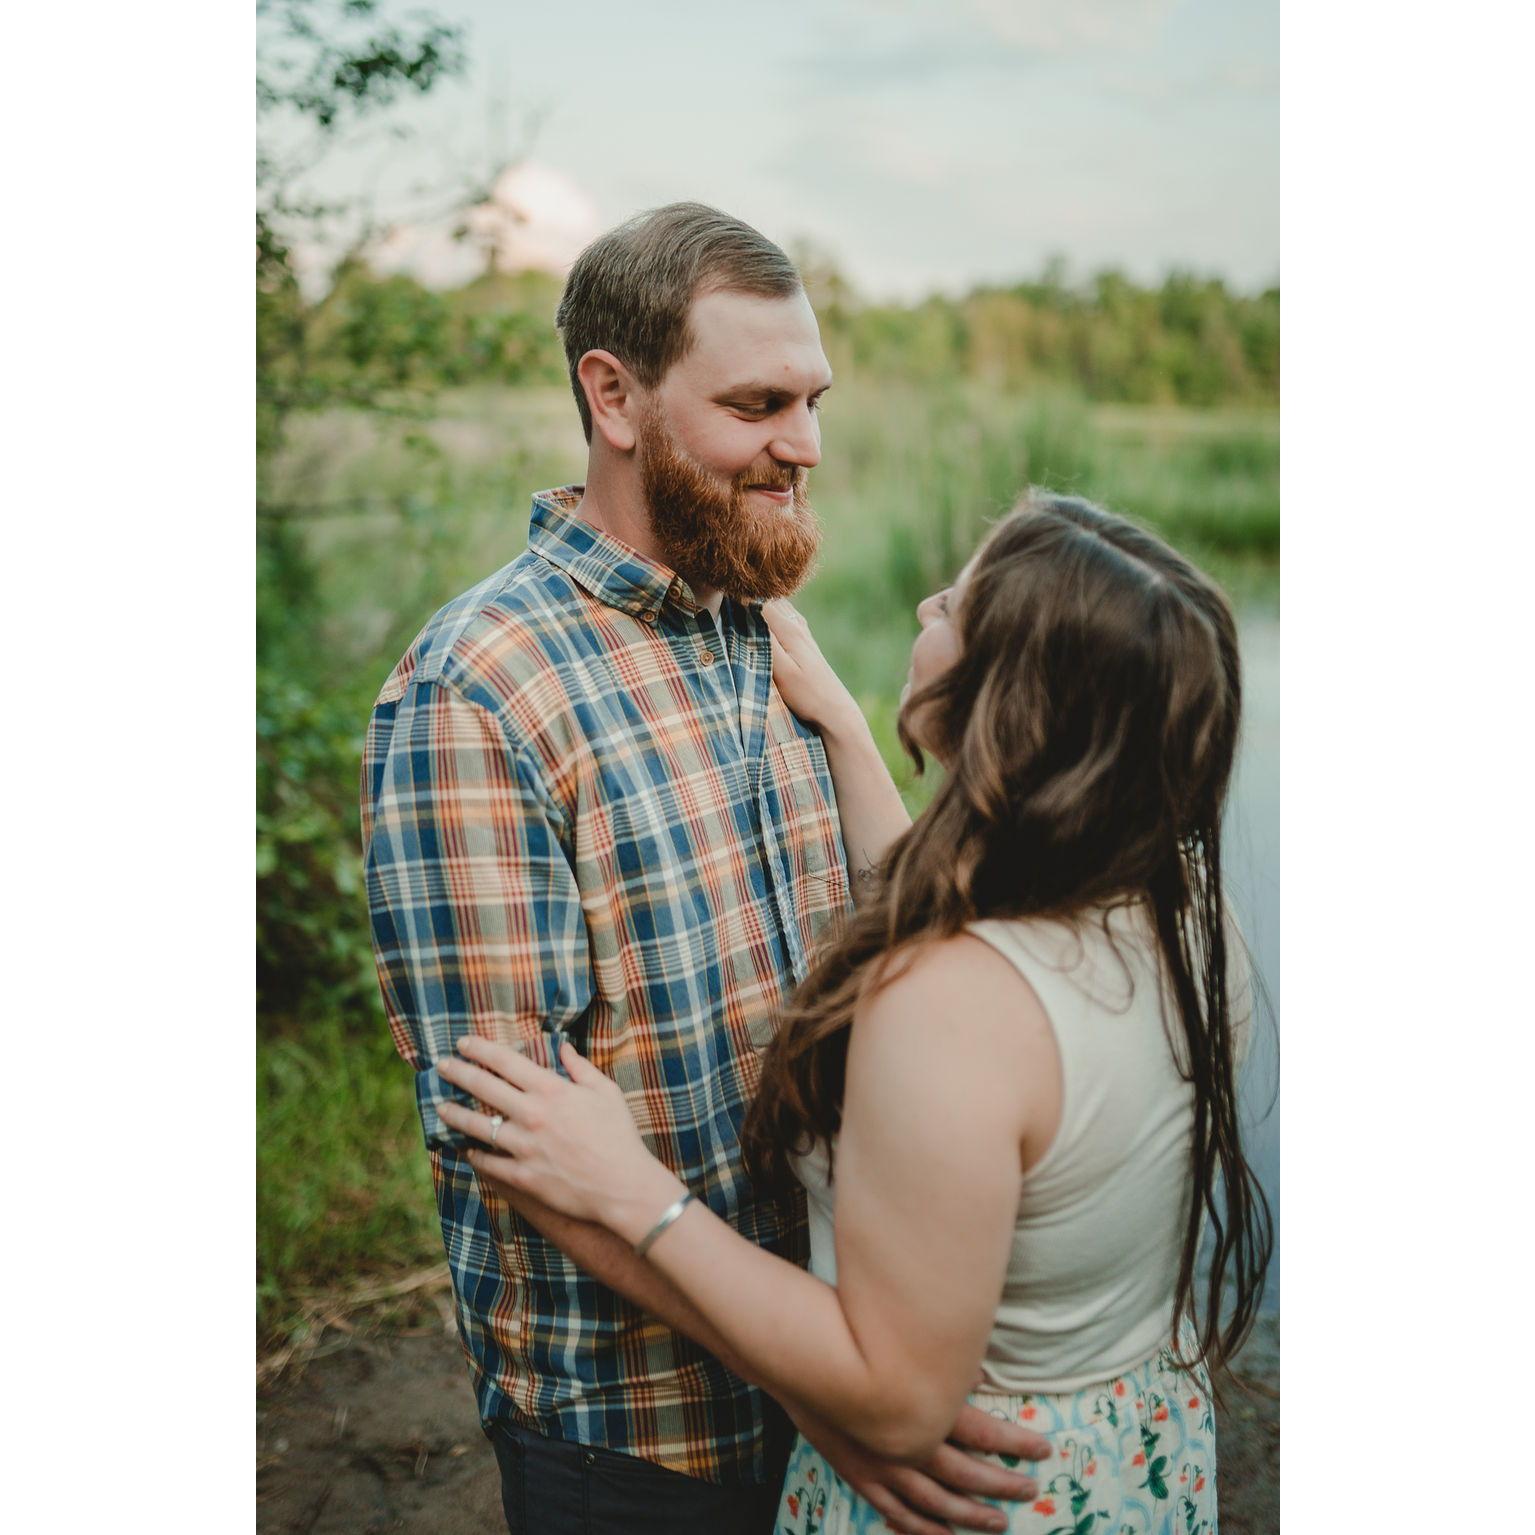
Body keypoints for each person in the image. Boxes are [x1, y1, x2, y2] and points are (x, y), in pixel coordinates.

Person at [361, 202, 1050, 1535]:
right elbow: (524, 1147)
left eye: (811, 399)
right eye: (755, 403)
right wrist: (831, 1394)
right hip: (645, 1442)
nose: (802, 445)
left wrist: (860, 1359)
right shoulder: (478, 690)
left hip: (831, 1362)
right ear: (611, 397)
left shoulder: (755, 623)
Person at [431, 491, 1274, 1534]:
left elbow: (897, 1394)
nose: (927, 600)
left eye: (957, 604)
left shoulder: (951, 1009)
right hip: (1128, 1450)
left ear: (1007, 699)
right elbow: (957, 920)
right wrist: (839, 718)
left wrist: (629, 1186)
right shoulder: (1180, 915)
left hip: (966, 1491)